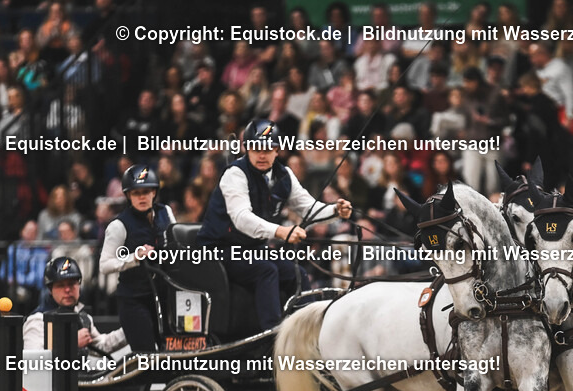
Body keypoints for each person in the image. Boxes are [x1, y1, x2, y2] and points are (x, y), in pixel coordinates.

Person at [195, 119, 352, 330]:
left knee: (298, 274)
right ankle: (273, 337)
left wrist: (335, 210)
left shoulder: (284, 175)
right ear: (247, 148)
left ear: (277, 150)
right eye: (256, 148)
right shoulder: (235, 174)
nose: (262, 154)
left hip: (252, 250)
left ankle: (311, 332)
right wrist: (281, 231)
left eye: (268, 149)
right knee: (266, 270)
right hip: (217, 250)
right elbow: (241, 217)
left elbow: (309, 208)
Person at [98, 164, 178, 352]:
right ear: (128, 195)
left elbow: (176, 241)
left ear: (154, 192)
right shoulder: (119, 225)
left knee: (175, 351)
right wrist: (135, 257)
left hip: (165, 295)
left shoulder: (165, 212)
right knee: (146, 355)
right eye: (136, 193)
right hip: (134, 299)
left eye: (146, 191)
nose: (142, 197)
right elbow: (104, 265)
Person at [23, 257, 126, 356]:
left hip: (81, 373)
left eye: (72, 284)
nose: (67, 290)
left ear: (79, 286)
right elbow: (33, 361)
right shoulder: (37, 320)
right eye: (61, 285)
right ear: (50, 289)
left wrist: (130, 330)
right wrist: (72, 343)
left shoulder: (82, 317)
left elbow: (102, 345)